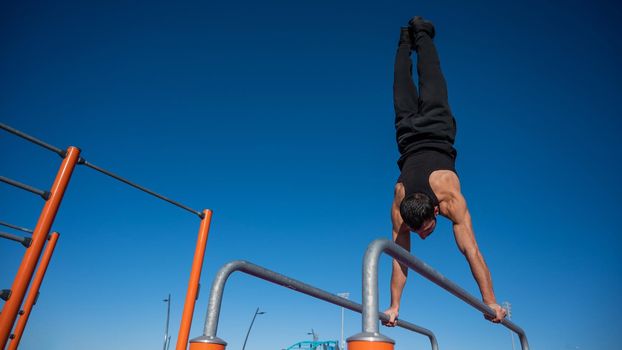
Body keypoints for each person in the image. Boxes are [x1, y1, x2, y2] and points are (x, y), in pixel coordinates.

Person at [384, 16, 507, 326]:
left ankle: (419, 32)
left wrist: (489, 300)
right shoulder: (401, 208)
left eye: (424, 230)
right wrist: (393, 307)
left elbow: (471, 251)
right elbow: (401, 260)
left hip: (412, 134)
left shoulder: (451, 200)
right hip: (430, 130)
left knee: (422, 78)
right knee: (414, 83)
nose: (422, 237)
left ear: (437, 211)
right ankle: (405, 37)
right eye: (419, 232)